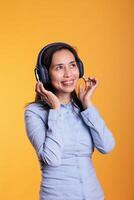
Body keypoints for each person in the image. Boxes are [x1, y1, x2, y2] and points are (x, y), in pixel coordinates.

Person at [24, 42, 115, 200]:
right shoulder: (34, 113)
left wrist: (88, 104)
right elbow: (51, 159)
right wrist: (56, 110)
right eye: (59, 67)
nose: (68, 74)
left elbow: (107, 146)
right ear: (44, 74)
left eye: (72, 65)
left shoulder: (83, 109)